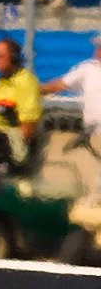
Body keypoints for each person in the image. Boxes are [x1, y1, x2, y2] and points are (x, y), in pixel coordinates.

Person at [41, 31, 101, 198]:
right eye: (98, 47)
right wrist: (36, 90)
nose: (97, 51)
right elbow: (61, 84)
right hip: (94, 131)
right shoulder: (88, 68)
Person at [0, 37, 43, 167]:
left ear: (13, 58)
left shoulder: (25, 81)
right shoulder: (1, 83)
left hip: (6, 143)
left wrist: (15, 146)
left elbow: (28, 126)